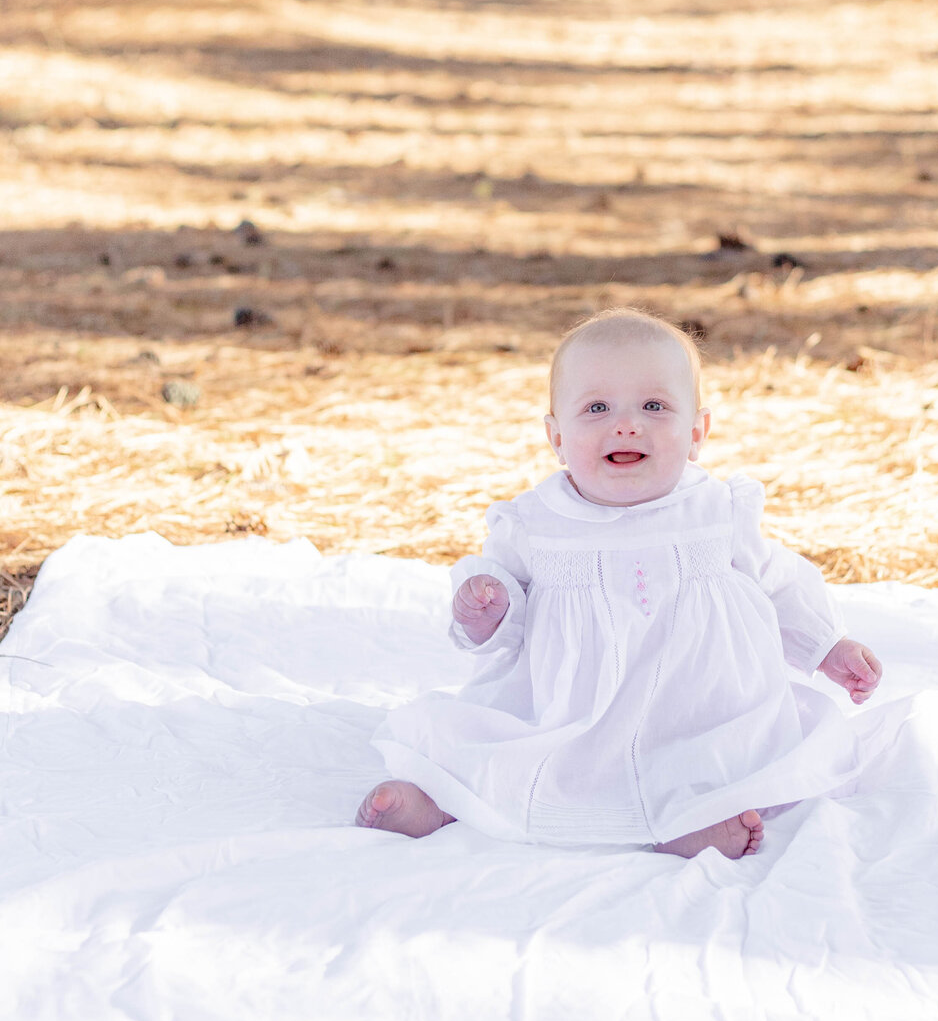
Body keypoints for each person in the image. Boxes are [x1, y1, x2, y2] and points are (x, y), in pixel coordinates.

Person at [356, 309, 886, 860]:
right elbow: (501, 598)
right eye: (597, 408)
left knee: (719, 760)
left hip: (695, 709)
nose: (627, 424)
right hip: (570, 714)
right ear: (557, 437)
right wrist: (486, 605)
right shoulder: (534, 521)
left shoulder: (718, 510)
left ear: (697, 433)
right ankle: (441, 802)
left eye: (654, 406)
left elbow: (777, 581)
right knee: (505, 756)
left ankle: (692, 820)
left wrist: (827, 645)